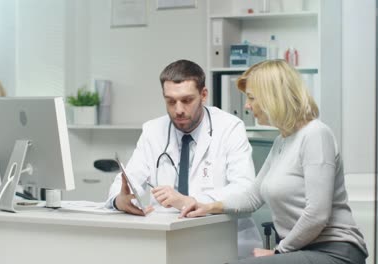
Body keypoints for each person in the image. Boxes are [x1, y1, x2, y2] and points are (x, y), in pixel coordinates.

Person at [180, 60, 369, 264]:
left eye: (251, 98)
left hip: (334, 251)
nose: (247, 105)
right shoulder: (283, 140)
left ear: (273, 97)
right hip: (301, 250)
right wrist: (208, 206)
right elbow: (252, 198)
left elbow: (317, 214)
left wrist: (280, 251)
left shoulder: (316, 135)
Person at [106, 59, 263, 258]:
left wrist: (191, 201)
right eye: (170, 101)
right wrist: (119, 200)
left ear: (203, 95)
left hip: (221, 238)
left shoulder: (230, 127)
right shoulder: (152, 130)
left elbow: (245, 189)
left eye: (187, 100)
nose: (178, 109)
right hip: (165, 240)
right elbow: (127, 180)